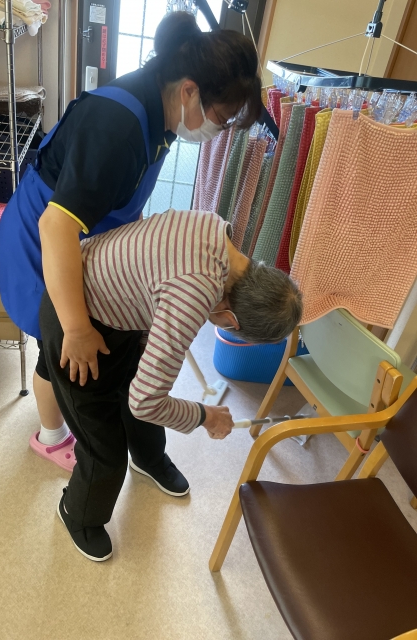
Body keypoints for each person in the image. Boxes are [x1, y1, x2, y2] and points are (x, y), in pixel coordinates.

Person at [0, 11, 263, 481]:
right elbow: (56, 226)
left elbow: (128, 199)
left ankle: (139, 448)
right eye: (220, 120)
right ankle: (51, 437)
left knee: (113, 354)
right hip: (44, 241)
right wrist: (76, 328)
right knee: (58, 353)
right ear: (190, 90)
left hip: (87, 237)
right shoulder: (117, 125)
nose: (216, 132)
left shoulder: (163, 113)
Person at [39, 208, 303, 561]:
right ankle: (77, 514)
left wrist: (148, 347)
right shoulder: (194, 293)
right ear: (230, 319)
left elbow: (153, 279)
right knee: (104, 447)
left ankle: (148, 458)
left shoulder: (215, 228)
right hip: (73, 316)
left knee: (137, 384)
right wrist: (205, 416)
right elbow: (145, 402)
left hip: (118, 310)